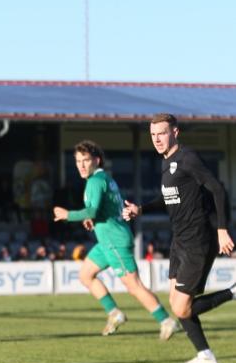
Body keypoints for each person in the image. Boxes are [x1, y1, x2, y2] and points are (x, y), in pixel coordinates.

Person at [123, 114, 235, 363]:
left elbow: (217, 189)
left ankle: (233, 292)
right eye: (153, 135)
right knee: (176, 302)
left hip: (198, 240)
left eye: (161, 133)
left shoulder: (187, 158)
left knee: (181, 308)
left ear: (175, 132)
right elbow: (169, 197)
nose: (156, 139)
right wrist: (141, 209)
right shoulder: (167, 162)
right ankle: (205, 355)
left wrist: (222, 230)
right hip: (180, 240)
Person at [54, 140, 179, 337]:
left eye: (85, 160)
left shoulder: (95, 182)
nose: (81, 165)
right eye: (78, 161)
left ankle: (166, 320)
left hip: (114, 242)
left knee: (133, 286)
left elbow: (93, 210)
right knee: (85, 275)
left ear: (96, 160)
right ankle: (115, 313)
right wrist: (92, 219)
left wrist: (67, 215)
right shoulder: (104, 178)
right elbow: (105, 209)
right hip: (106, 242)